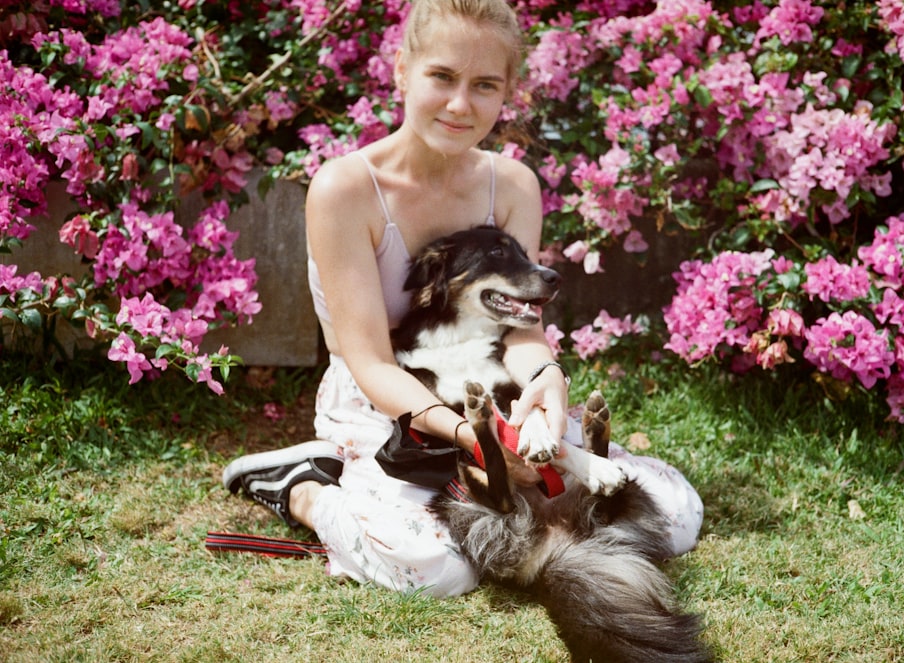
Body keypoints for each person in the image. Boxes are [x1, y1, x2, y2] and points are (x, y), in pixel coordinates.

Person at [222, 0, 703, 598]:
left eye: (483, 86)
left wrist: (547, 385)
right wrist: (480, 441)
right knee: (437, 569)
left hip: (491, 388)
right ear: (402, 70)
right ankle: (305, 488)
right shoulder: (345, 189)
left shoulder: (513, 186)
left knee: (676, 515)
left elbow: (520, 329)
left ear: (507, 93)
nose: (459, 105)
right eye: (442, 77)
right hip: (389, 406)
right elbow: (370, 362)